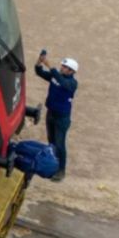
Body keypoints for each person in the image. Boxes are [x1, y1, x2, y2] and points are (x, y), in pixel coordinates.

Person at [35, 50, 78, 181]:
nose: (62, 68)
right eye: (62, 66)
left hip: (62, 118)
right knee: (52, 142)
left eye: (65, 67)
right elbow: (39, 72)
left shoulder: (72, 83)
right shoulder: (56, 76)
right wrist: (40, 61)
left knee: (60, 145)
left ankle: (61, 170)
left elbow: (62, 82)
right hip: (51, 113)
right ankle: (53, 166)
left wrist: (50, 65)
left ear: (71, 71)